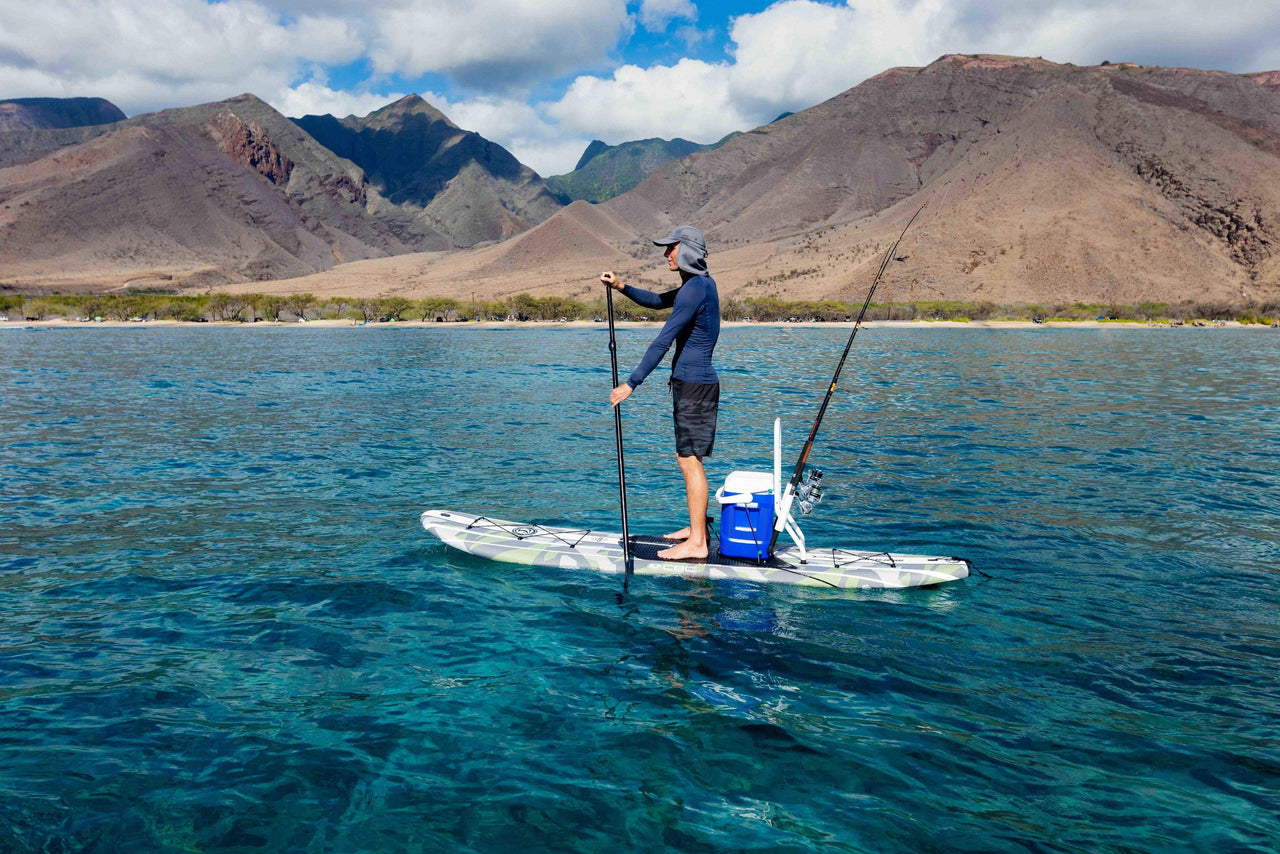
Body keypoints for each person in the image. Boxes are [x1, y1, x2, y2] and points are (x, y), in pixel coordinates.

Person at [602, 225, 720, 561]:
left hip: (695, 387)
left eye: (672, 248)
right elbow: (656, 301)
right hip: (692, 385)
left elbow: (662, 340)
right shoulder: (695, 286)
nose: (666, 254)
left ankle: (697, 542)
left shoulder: (694, 289)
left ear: (689, 252)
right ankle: (696, 528)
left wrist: (631, 382)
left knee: (689, 460)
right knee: (688, 458)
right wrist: (621, 285)